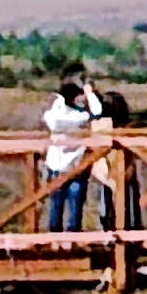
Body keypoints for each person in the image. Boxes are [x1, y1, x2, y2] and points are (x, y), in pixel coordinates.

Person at [39, 79, 106, 234]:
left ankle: (55, 240)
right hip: (76, 168)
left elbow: (48, 113)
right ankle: (72, 240)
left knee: (56, 206)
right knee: (75, 209)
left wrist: (57, 99)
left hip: (56, 167)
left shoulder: (53, 117)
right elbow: (97, 112)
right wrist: (89, 92)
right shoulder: (77, 117)